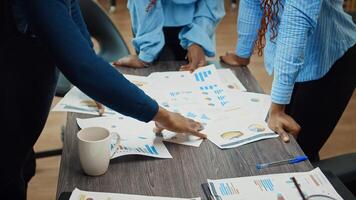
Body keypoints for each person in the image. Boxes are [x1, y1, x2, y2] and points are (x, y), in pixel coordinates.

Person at [0, 0, 206, 199]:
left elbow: (74, 24)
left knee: (21, 167)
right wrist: (161, 114)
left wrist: (95, 83)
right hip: (9, 106)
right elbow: (82, 66)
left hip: (22, 117)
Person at [221, 0, 356, 161]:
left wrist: (277, 108)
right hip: (291, 56)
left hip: (329, 58)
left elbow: (296, 23)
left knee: (300, 151)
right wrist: (242, 54)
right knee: (283, 142)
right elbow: (252, 2)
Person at [113, 0, 225, 72]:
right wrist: (146, 53)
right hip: (148, 23)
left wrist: (197, 39)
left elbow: (211, 3)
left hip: (195, 21)